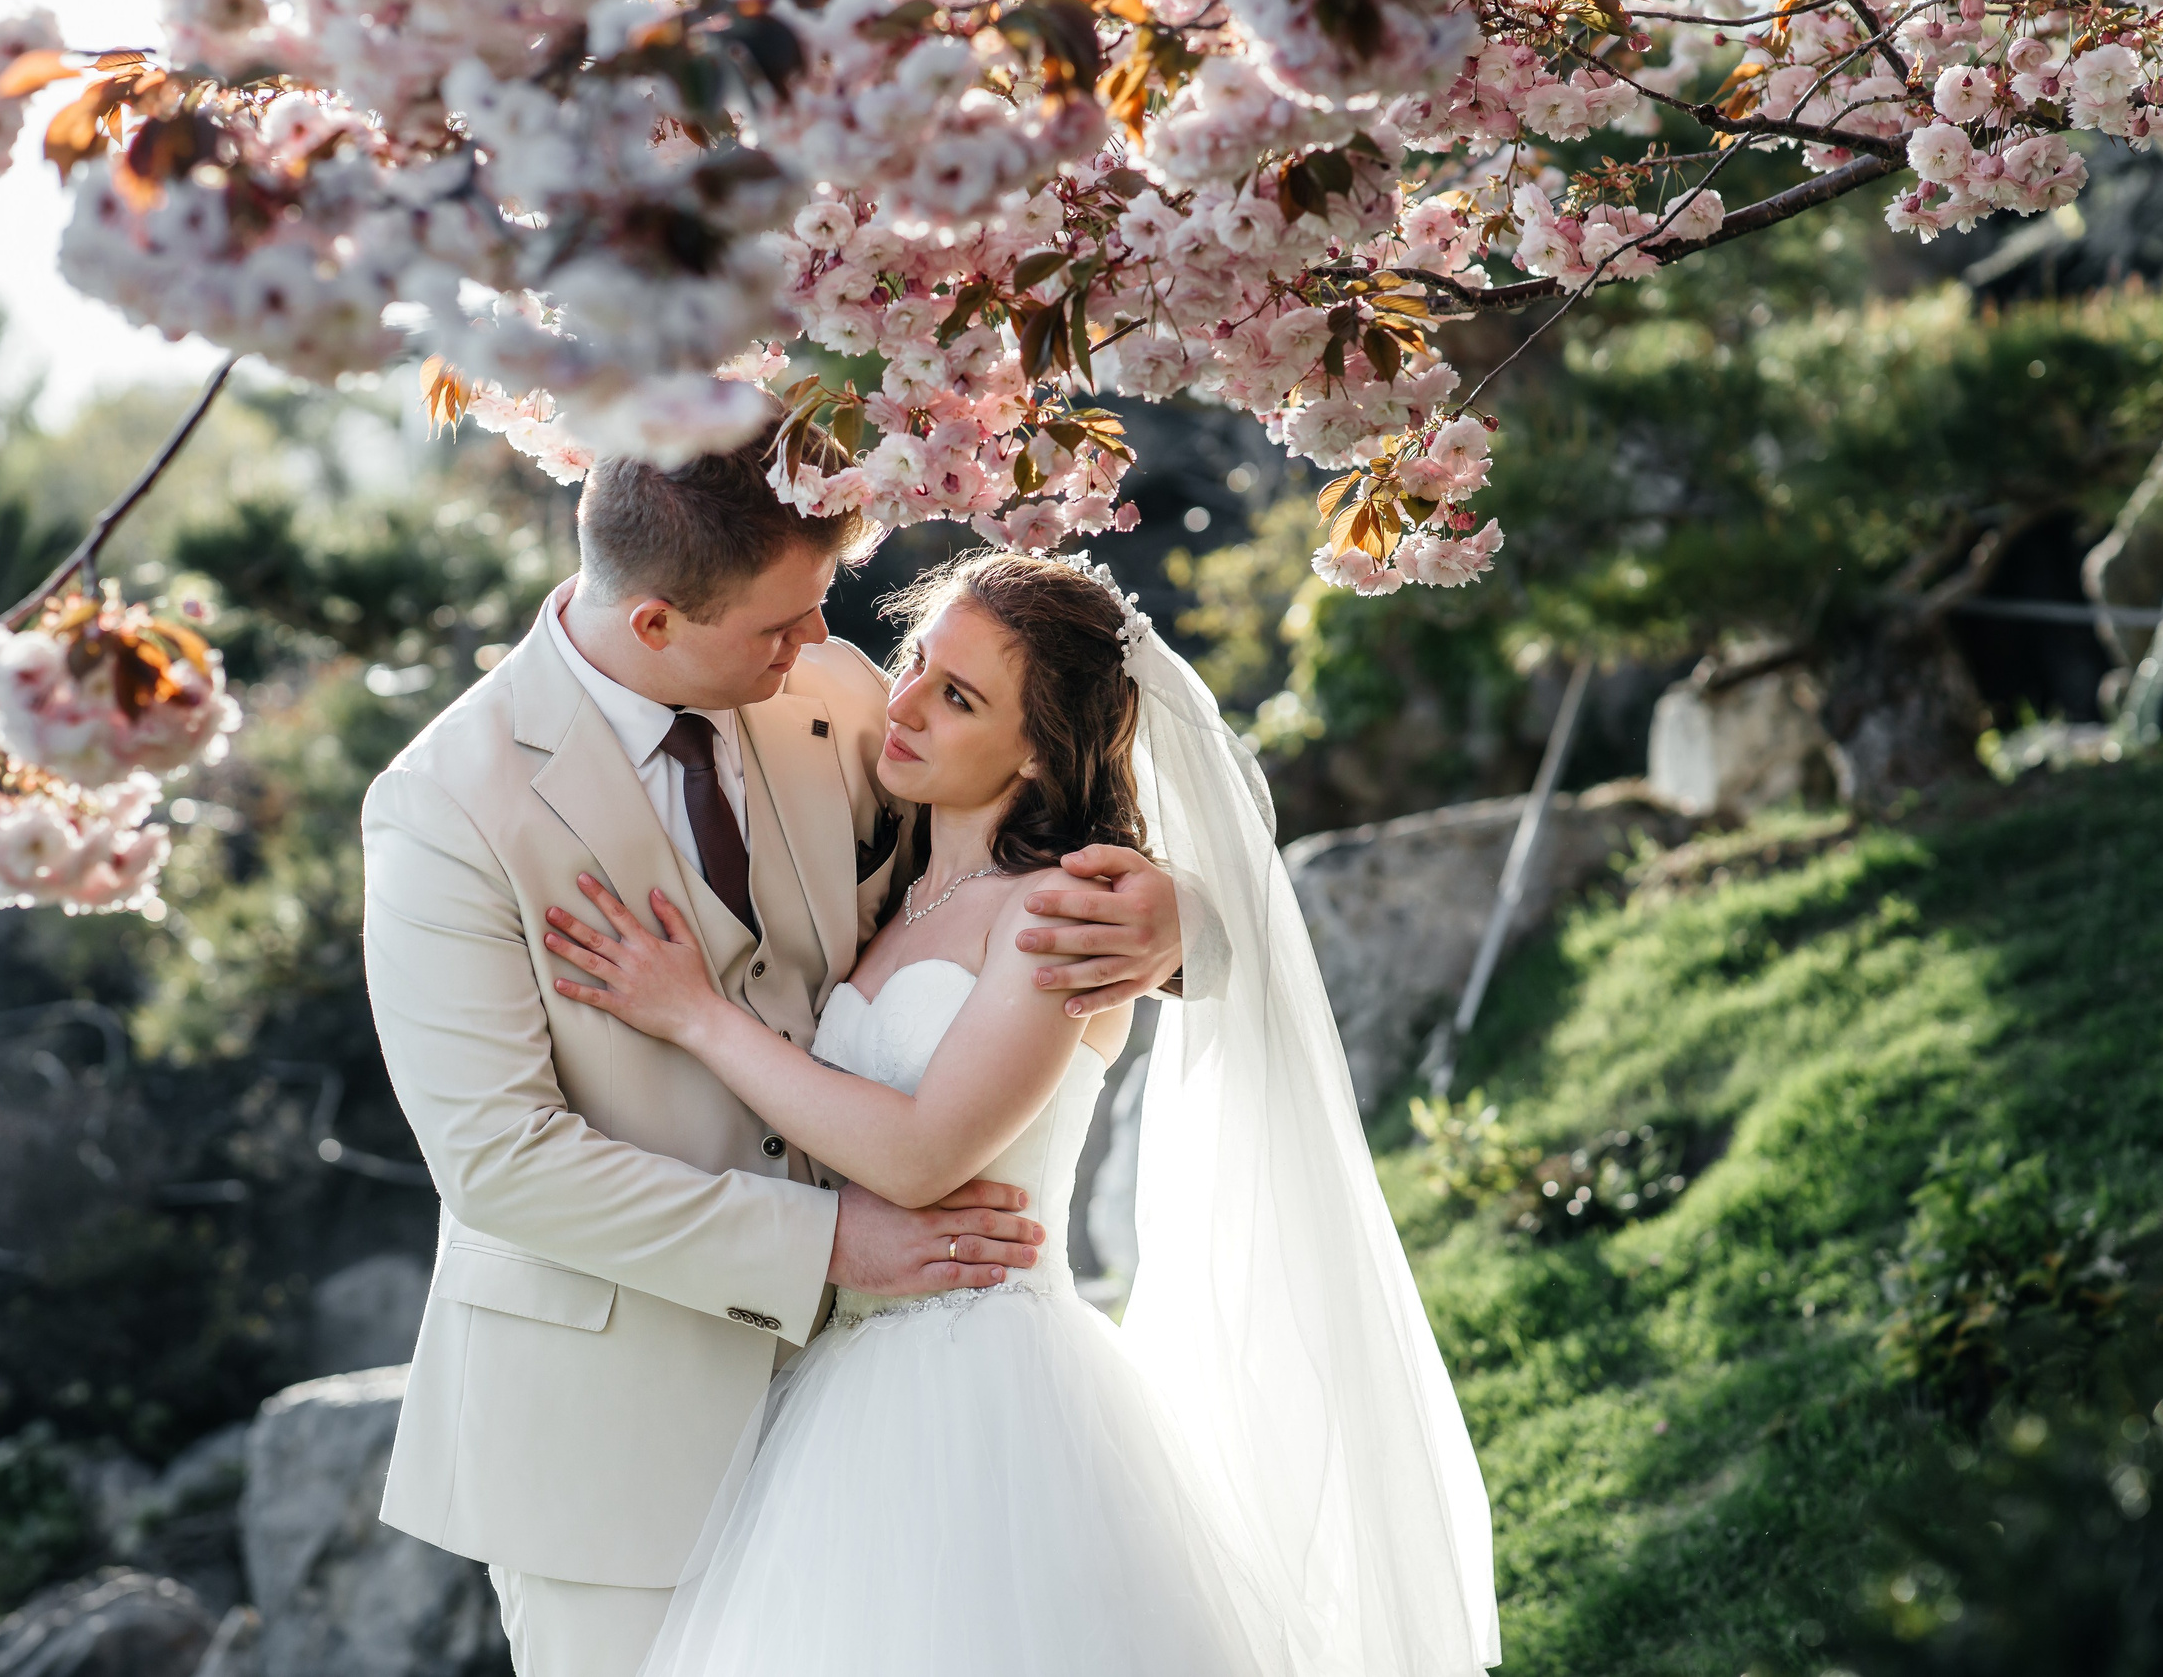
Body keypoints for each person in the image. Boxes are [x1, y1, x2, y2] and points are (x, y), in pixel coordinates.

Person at [542, 549, 1502, 1676]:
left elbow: (918, 1153)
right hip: (841, 1384)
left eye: (959, 699)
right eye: (914, 665)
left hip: (984, 1390)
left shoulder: (1056, 915)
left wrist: (699, 1017)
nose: (901, 707)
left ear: (1041, 749)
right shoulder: (896, 887)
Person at [358, 424, 1204, 1677]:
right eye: (783, 623)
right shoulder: (444, 808)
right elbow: (498, 1161)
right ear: (655, 624)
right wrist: (827, 1248)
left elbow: (998, 873)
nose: (825, 645)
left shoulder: (834, 698)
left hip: (894, 1411)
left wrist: (1168, 917)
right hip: (610, 1438)